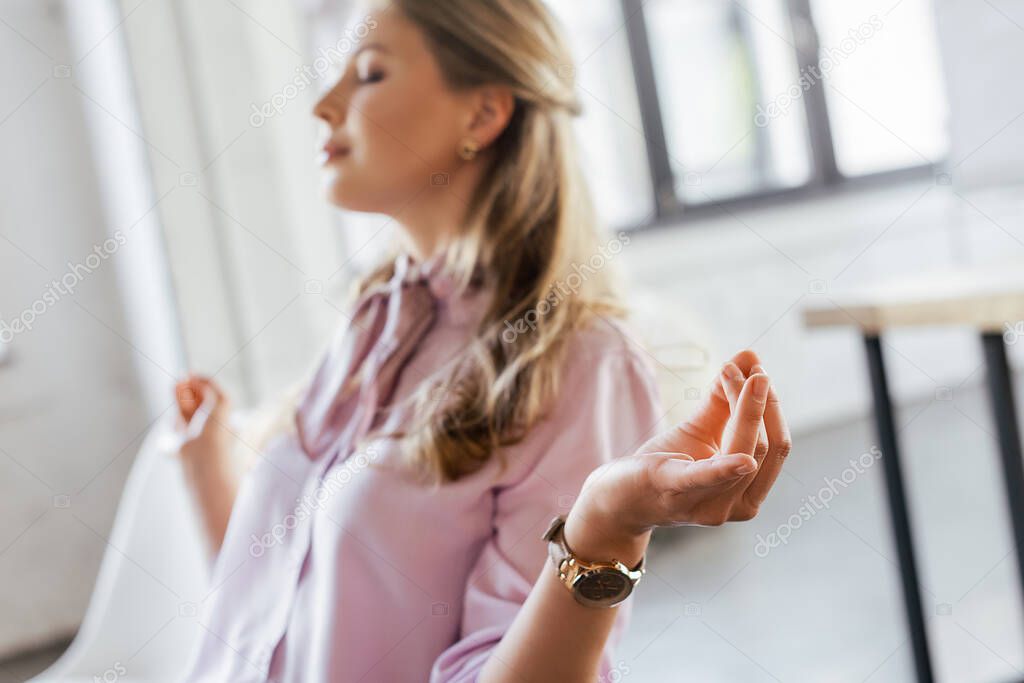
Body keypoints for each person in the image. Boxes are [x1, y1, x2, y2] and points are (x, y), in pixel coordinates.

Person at [174, 1, 792, 681]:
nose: (324, 104)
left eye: (370, 74)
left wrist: (605, 526)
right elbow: (269, 612)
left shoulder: (583, 362)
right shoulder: (374, 321)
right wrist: (207, 467)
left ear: (483, 114)